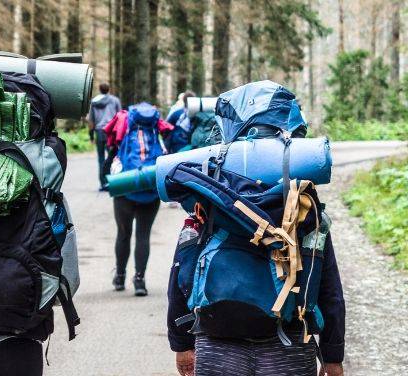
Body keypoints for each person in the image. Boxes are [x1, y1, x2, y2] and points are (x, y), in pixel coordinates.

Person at [167, 236, 346, 376]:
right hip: (289, 349)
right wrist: (332, 357)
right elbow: (330, 292)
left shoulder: (210, 200)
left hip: (218, 348)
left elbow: (181, 275)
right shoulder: (301, 206)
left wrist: (182, 343)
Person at [102, 103, 168, 295]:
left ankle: (120, 277)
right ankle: (140, 281)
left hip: (126, 187)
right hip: (150, 188)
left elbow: (111, 153)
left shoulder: (123, 126)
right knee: (143, 235)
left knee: (123, 233)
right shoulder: (157, 134)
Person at [87, 83, 121, 190]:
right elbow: (121, 117)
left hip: (99, 132)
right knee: (113, 157)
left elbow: (91, 121)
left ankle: (103, 184)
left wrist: (91, 136)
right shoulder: (115, 100)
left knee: (101, 159)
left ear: (100, 90)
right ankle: (113, 182)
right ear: (108, 89)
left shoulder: (94, 102)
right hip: (111, 133)